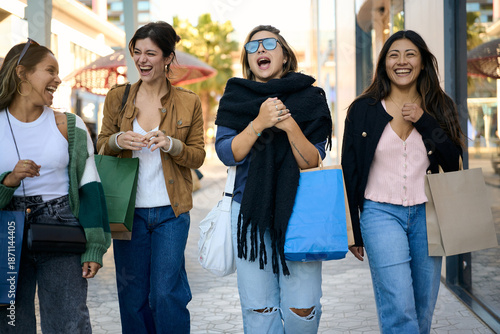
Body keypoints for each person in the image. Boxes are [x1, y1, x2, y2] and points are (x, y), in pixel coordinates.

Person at [341, 30, 464, 334]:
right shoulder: (363, 110)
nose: (402, 61)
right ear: (384, 64)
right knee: (398, 306)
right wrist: (353, 231)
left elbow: (454, 161)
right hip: (379, 214)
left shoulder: (440, 106)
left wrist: (424, 120)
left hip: (428, 215)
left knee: (423, 308)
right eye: (394, 55)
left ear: (422, 62)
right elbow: (349, 171)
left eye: (410, 54)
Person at [215, 25, 332, 334]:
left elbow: (311, 161)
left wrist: (290, 125)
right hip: (249, 213)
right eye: (252, 47)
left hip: (300, 208)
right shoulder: (236, 97)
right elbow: (228, 154)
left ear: (284, 54)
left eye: (269, 44)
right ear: (247, 59)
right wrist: (259, 122)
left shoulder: (310, 97)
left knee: (302, 309)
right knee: (259, 308)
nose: (260, 51)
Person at [97, 21, 205, 333]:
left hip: (171, 212)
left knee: (165, 293)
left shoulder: (189, 101)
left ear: (169, 57)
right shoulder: (117, 98)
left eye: (151, 53)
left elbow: (198, 155)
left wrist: (172, 144)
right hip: (128, 214)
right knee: (132, 297)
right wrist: (119, 140)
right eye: (137, 52)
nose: (142, 60)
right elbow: (102, 145)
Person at [0, 39, 110, 333]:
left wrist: (94, 248)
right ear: (22, 73)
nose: (58, 79)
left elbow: (91, 190)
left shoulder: (70, 126)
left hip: (60, 225)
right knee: (10, 322)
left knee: (68, 323)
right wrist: (8, 182)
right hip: (6, 233)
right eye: (50, 71)